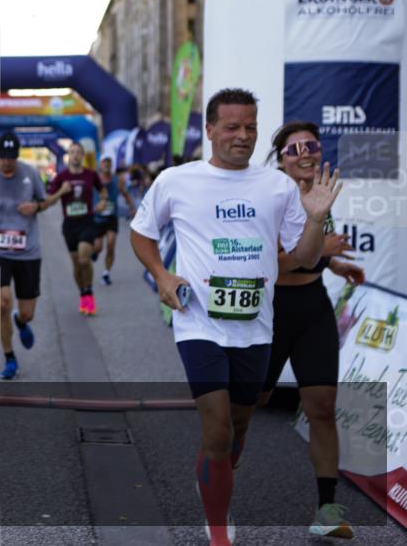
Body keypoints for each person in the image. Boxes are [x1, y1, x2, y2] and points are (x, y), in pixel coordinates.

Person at [129, 88, 338, 546]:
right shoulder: (176, 181)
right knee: (218, 427)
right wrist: (162, 276)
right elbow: (141, 233)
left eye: (250, 127)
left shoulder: (276, 186)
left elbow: (303, 258)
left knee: (236, 431)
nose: (242, 136)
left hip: (256, 328)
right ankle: (219, 530)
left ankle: (215, 473)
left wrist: (316, 220)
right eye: (231, 127)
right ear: (209, 130)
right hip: (198, 322)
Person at [257, 121, 363, 539]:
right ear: (281, 159)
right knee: (249, 407)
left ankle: (326, 509)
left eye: (311, 145)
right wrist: (322, 249)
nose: (304, 153)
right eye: (293, 148)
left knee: (321, 406)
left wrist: (335, 264)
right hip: (274, 310)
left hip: (313, 308)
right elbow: (268, 262)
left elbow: (314, 254)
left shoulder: (320, 190)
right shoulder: (271, 198)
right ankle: (218, 484)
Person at [0, 132, 68, 380]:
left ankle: (21, 321)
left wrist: (36, 207)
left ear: (17, 156)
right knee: (2, 304)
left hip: (28, 252)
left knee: (27, 312)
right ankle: (9, 357)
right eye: (3, 158)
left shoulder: (29, 173)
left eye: (11, 158)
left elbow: (45, 201)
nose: (7, 163)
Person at [48, 143, 106, 315]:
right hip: (69, 225)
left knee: (83, 259)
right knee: (76, 264)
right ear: (68, 156)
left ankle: (89, 292)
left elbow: (103, 191)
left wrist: (102, 201)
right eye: (72, 152)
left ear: (82, 156)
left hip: (87, 222)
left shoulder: (90, 174)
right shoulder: (61, 177)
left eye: (78, 153)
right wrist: (62, 191)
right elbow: (49, 200)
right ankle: (82, 293)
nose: (75, 156)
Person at [92, 156, 134, 286]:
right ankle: (95, 252)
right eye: (104, 163)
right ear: (100, 165)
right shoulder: (95, 180)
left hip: (111, 217)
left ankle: (106, 273)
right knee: (98, 247)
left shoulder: (117, 180)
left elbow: (125, 194)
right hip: (97, 218)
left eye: (109, 164)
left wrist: (132, 208)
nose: (107, 166)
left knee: (110, 245)